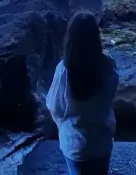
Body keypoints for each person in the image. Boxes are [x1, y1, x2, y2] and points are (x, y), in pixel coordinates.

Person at [46, 12, 119, 175]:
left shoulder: (64, 70)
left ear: (70, 38)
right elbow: (111, 94)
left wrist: (65, 124)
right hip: (101, 141)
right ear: (96, 37)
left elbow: (55, 107)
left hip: (75, 143)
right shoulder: (108, 65)